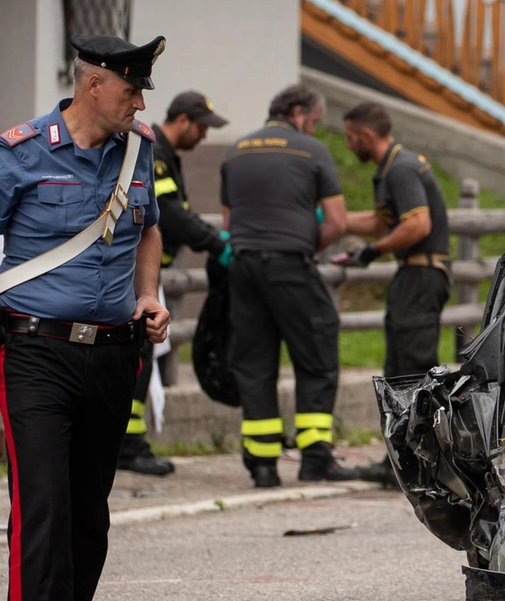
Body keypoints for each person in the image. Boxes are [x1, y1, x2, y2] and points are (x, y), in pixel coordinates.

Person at [0, 35, 172, 601]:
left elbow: (150, 228)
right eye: (131, 90)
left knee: (87, 519)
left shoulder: (139, 151)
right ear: (94, 85)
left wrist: (149, 294)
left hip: (112, 355)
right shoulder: (20, 151)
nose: (139, 102)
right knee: (42, 512)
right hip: (36, 353)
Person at [220, 85, 352, 487]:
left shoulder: (235, 151)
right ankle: (315, 458)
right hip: (290, 265)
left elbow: (228, 224)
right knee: (316, 352)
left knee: (255, 363)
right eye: (313, 121)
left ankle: (262, 465)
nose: (313, 128)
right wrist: (304, 245)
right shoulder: (311, 151)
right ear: (298, 113)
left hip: (242, 267)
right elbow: (337, 222)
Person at [332, 102, 452, 486]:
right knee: (398, 370)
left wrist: (374, 251)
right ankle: (401, 463)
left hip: (421, 274)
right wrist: (328, 219)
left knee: (415, 371)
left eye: (351, 138)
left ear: (367, 135)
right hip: (411, 275)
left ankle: (429, 466)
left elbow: (417, 224)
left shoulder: (401, 169)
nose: (349, 145)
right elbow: (379, 221)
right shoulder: (390, 170)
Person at [117, 91, 231, 476]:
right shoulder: (157, 151)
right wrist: (214, 241)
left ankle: (125, 441)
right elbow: (168, 215)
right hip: (133, 273)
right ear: (182, 120)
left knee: (139, 358)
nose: (202, 136)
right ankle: (128, 445)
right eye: (200, 128)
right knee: (138, 358)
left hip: (141, 274)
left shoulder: (165, 152)